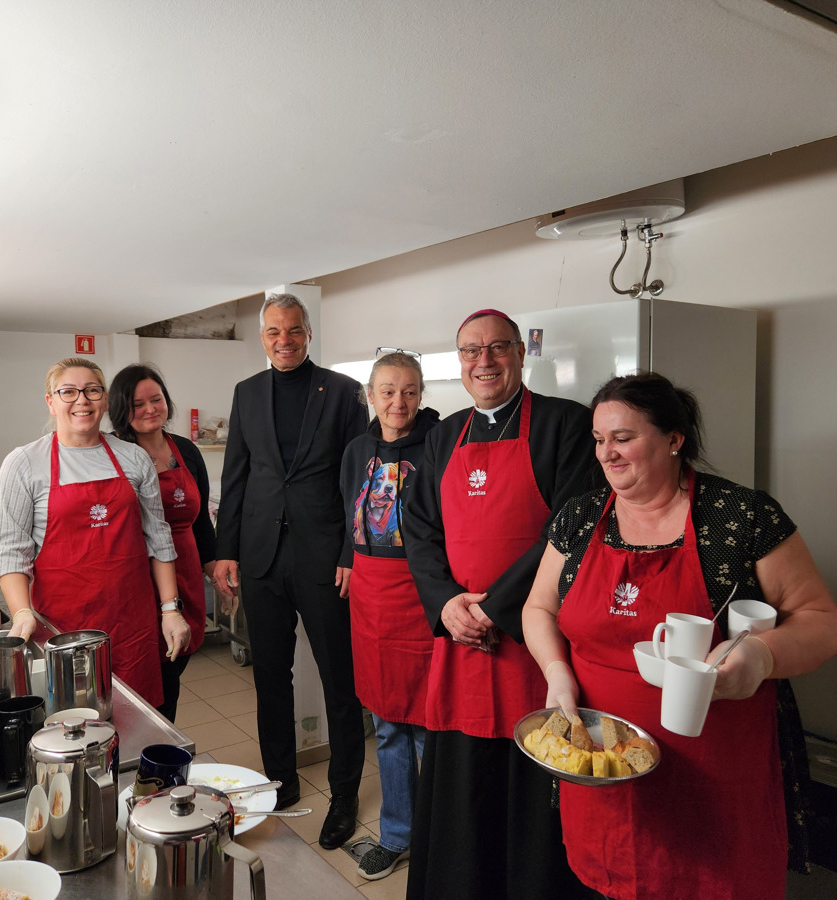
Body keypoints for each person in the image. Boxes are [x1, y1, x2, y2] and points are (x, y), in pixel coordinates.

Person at [522, 372, 837, 900]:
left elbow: (823, 621)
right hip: (606, 762)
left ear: (674, 439)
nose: (607, 454)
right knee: (609, 877)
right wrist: (557, 675)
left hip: (715, 765)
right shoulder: (581, 517)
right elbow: (539, 607)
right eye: (599, 440)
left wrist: (762, 657)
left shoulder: (741, 517)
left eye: (623, 438)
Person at [402, 308, 600, 899]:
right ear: (458, 361)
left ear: (520, 352)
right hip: (460, 644)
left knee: (533, 780)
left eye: (497, 348)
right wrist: (446, 606)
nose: (483, 361)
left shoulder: (567, 425)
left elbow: (571, 529)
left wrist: (493, 609)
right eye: (470, 351)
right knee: (464, 785)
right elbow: (418, 530)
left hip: (535, 643)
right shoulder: (442, 434)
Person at [212, 293, 368, 850]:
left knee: (339, 678)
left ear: (308, 333)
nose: (285, 339)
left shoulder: (345, 392)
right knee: (271, 677)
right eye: (275, 331)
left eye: (295, 330)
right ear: (263, 336)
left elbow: (359, 480)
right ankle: (280, 783)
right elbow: (237, 475)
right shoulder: (247, 393)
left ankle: (345, 793)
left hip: (324, 556)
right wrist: (225, 549)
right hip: (260, 557)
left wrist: (352, 551)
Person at [0, 357, 190, 707]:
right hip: (62, 627)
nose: (81, 400)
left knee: (141, 725)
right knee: (74, 725)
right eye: (68, 391)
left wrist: (170, 609)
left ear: (105, 400)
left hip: (131, 622)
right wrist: (21, 611)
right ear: (50, 401)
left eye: (92, 390)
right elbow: (9, 551)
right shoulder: (23, 463)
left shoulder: (134, 459)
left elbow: (158, 540)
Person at [339, 350, 439, 881]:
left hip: (420, 594)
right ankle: (398, 835)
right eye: (387, 391)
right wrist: (345, 560)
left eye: (409, 391)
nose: (398, 401)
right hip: (370, 595)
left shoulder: (442, 445)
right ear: (370, 396)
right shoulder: (357, 449)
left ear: (421, 394)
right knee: (386, 723)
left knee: (427, 723)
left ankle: (438, 837)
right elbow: (347, 512)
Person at [109, 363, 217, 722]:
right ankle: (151, 752)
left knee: (176, 663)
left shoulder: (186, 450)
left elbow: (201, 520)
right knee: (148, 675)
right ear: (121, 409)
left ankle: (158, 748)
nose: (150, 409)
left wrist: (216, 565)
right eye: (137, 404)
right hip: (138, 577)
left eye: (156, 399)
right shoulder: (114, 455)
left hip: (185, 573)